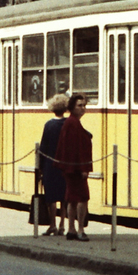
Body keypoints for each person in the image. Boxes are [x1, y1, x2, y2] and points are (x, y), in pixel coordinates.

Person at [56, 93, 93, 240]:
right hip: (76, 168)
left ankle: (71, 229)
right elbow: (75, 148)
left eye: (84, 105)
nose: (83, 109)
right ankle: (80, 229)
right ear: (72, 107)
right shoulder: (73, 123)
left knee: (72, 198)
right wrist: (83, 168)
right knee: (83, 198)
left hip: (71, 168)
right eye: (80, 106)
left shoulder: (71, 122)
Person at [37, 93, 68, 236]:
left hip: (50, 164)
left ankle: (52, 224)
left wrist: (41, 167)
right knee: (63, 195)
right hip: (65, 164)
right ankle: (62, 224)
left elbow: (43, 147)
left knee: (51, 196)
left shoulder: (49, 125)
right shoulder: (68, 124)